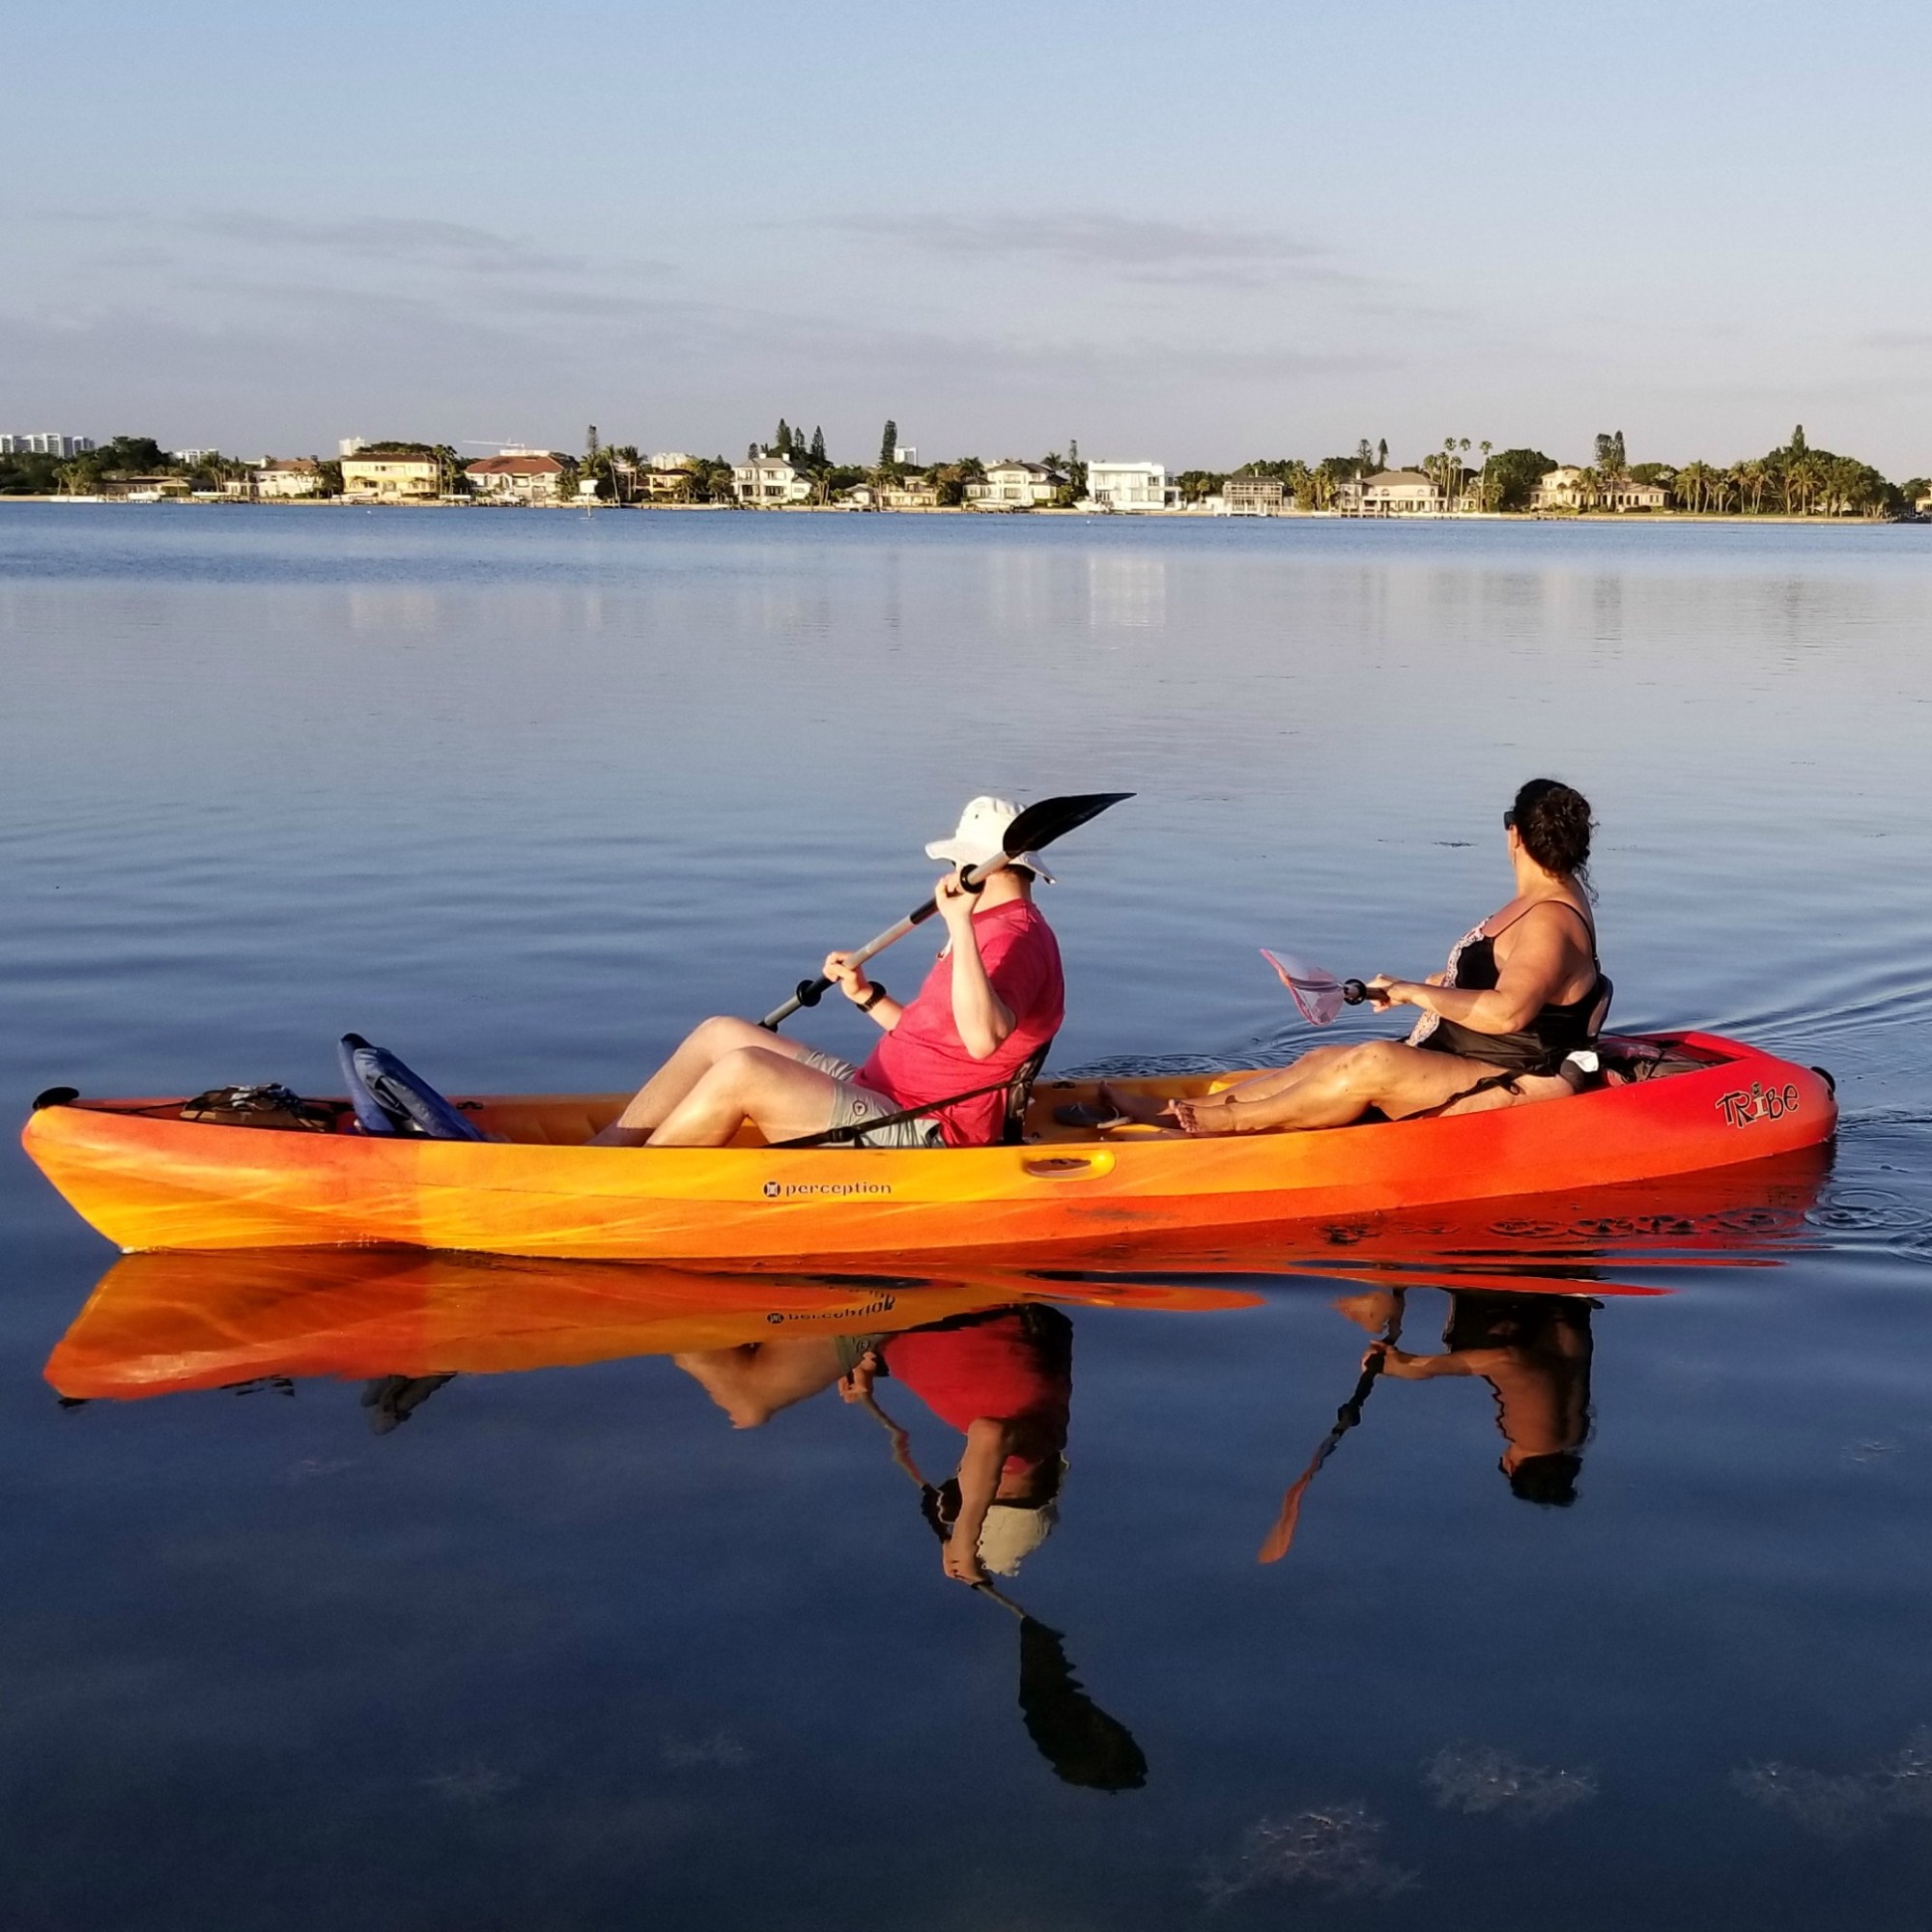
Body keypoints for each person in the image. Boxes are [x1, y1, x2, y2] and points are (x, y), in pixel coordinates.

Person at [1102, 777, 1606, 1135]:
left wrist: (1414, 992)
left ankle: (1229, 1122)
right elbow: (1498, 984)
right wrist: (1416, 988)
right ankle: (1174, 1111)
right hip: (1468, 1056)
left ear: (1514, 834)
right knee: (1324, 1058)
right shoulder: (1541, 904)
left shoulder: (1550, 921)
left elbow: (1509, 1011)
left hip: (1519, 1078)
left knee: (1373, 1061)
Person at [590, 797, 1065, 1149]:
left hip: (925, 1127)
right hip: (879, 1088)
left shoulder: (1013, 939)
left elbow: (983, 1040)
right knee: (722, 1034)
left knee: (744, 1069)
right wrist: (867, 996)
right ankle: (606, 1152)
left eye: (957, 860)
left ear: (977, 866)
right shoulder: (990, 924)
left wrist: (958, 924)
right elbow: (938, 1036)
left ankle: (637, 1184)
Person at [670, 1302, 1073, 1583]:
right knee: (748, 1402)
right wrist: (965, 1538)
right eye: (959, 1500)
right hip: (904, 1307)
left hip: (907, 1320)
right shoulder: (1028, 1449)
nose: (954, 1481)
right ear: (988, 1500)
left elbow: (989, 1360)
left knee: (761, 1368)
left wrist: (871, 1363)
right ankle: (664, 1315)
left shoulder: (1050, 1418)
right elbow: (991, 1434)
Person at [1338, 1286, 1595, 1506]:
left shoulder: (1573, 1432)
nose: (1499, 1423)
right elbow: (1509, 1362)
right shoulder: (1537, 1440)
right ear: (1511, 1467)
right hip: (1506, 1296)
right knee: (1369, 1314)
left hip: (1550, 1294)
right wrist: (1413, 1366)